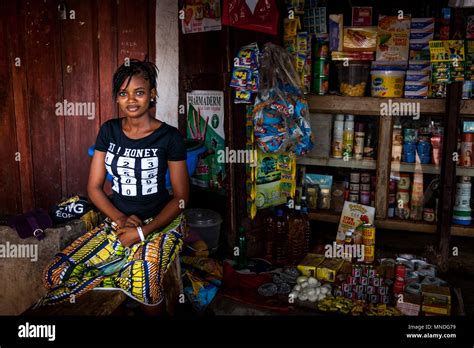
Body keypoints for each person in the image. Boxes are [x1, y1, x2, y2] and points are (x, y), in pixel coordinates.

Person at [39, 59, 189, 315]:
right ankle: (119, 274)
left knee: (145, 282)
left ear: (152, 94)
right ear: (117, 98)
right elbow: (94, 188)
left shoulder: (170, 137)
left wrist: (142, 233)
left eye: (139, 92)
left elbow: (182, 198)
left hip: (159, 223)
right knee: (55, 273)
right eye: (123, 93)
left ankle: (129, 271)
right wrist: (121, 220)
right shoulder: (109, 131)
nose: (131, 100)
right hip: (116, 224)